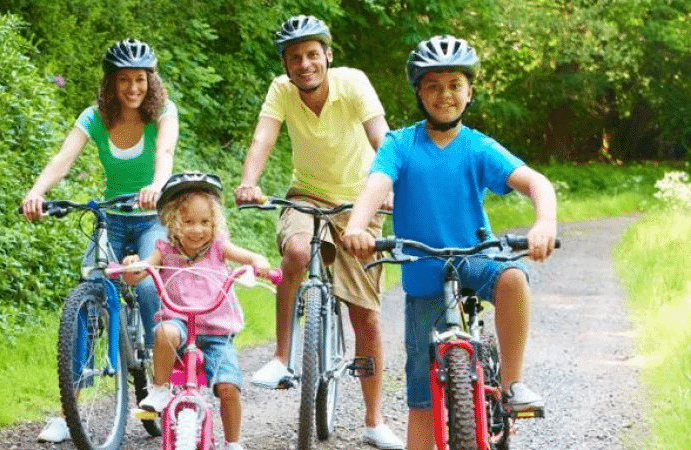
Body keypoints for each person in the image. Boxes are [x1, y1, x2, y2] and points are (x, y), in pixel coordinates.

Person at [341, 35, 558, 450]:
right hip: (423, 268)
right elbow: (377, 184)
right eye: (433, 86)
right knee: (422, 394)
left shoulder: (477, 146)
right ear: (419, 93)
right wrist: (357, 226)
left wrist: (544, 223)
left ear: (469, 92)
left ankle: (512, 384)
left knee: (513, 276)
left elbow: (536, 182)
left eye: (455, 85)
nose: (445, 95)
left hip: (475, 257)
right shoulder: (400, 144)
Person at [233, 15, 403, 450]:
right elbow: (263, 139)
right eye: (295, 57)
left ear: (327, 55)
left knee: (365, 316)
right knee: (295, 252)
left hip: (360, 202)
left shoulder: (353, 82)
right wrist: (249, 181)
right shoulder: (281, 90)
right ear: (286, 64)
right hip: (306, 195)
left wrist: (389, 188)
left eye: (312, 54)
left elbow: (382, 138)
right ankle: (281, 357)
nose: (304, 64)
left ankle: (373, 420)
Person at [20, 38, 179, 443]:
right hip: (111, 218)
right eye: (123, 79)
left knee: (148, 286)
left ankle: (163, 383)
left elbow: (164, 153)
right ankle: (68, 411)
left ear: (150, 80)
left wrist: (157, 185)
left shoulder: (163, 112)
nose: (132, 88)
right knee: (88, 295)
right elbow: (63, 159)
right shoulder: (94, 117)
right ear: (110, 82)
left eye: (140, 79)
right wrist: (36, 192)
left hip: (151, 219)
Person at [121, 172, 272, 450]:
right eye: (188, 222)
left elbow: (249, 257)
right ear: (173, 221)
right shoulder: (165, 250)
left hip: (216, 330)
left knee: (228, 387)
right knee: (164, 332)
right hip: (179, 323)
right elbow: (138, 275)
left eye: (205, 222)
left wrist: (258, 262)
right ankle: (160, 389)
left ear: (215, 223)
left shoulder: (218, 248)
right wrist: (132, 267)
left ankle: (233, 442)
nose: (197, 230)